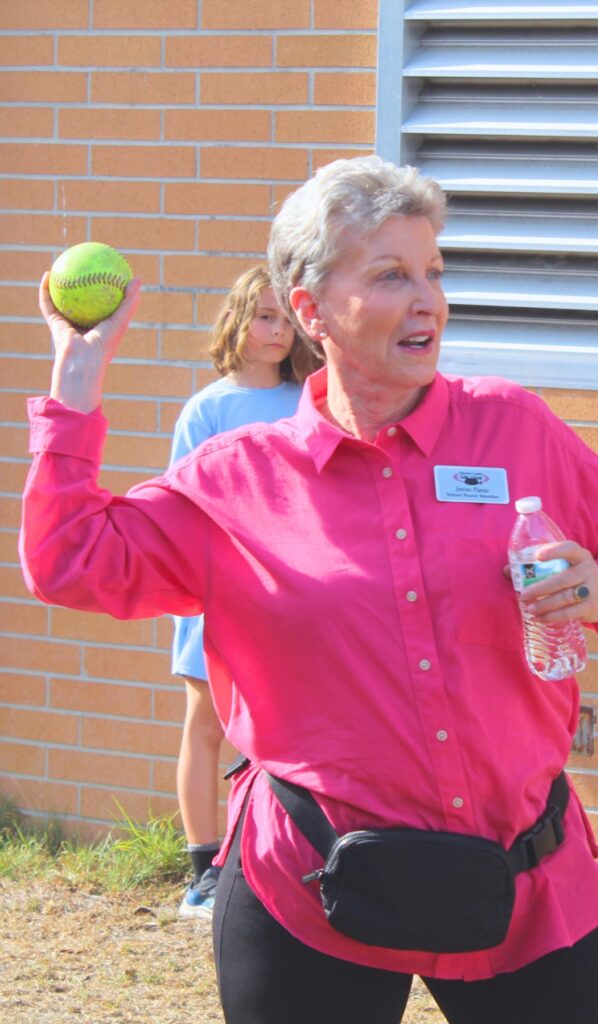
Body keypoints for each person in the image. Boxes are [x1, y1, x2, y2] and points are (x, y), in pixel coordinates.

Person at [20, 156, 598, 1024]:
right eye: (390, 275)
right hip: (308, 886)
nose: (428, 300)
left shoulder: (513, 425)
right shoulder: (235, 478)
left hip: (526, 883)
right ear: (309, 310)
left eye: (434, 273)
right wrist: (74, 392)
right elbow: (71, 561)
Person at [171, 266, 322, 919]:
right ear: (238, 319)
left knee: (294, 730)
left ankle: (284, 863)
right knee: (206, 727)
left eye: (286, 319)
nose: (276, 332)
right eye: (263, 317)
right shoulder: (208, 408)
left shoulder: (312, 399)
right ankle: (204, 870)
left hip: (293, 600)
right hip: (217, 593)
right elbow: (179, 506)